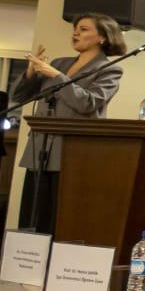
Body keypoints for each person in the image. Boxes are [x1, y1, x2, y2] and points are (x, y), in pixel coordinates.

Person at [10, 13, 127, 236]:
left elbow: (88, 103)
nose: (75, 33)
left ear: (102, 37)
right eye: (75, 28)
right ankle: (29, 257)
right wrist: (30, 72)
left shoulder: (109, 70)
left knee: (61, 220)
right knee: (32, 219)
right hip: (39, 148)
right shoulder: (60, 63)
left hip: (74, 153)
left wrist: (56, 76)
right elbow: (18, 96)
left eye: (83, 29)